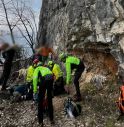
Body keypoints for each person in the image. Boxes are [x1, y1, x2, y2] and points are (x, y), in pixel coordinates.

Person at [33, 62, 54, 126]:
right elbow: (51, 75)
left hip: (44, 80)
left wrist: (35, 90)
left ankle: (40, 122)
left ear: (37, 66)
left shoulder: (37, 69)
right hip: (50, 79)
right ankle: (51, 119)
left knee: (40, 101)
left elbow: (35, 79)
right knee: (49, 100)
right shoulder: (46, 68)